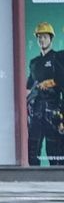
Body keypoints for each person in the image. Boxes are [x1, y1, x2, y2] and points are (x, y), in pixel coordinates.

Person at [26, 23, 64, 165]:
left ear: (51, 39)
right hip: (36, 112)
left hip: (52, 111)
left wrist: (50, 82)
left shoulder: (58, 58)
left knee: (55, 152)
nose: (42, 40)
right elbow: (28, 87)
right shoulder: (34, 63)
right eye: (39, 37)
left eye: (45, 37)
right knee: (32, 150)